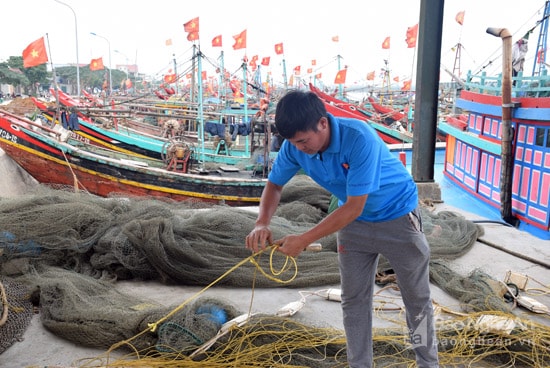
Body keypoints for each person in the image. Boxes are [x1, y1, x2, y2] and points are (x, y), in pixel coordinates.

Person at [245, 90, 439, 368]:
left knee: (416, 301)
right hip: (354, 225)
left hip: (397, 217)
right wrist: (261, 222)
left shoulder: (359, 138)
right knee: (354, 300)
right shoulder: (294, 147)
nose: (300, 149)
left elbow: (353, 207)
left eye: (303, 141)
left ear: (323, 123)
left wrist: (304, 239)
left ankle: (428, 363)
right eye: (293, 143)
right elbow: (274, 185)